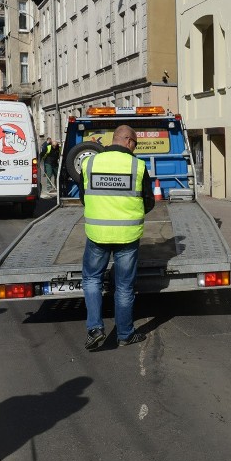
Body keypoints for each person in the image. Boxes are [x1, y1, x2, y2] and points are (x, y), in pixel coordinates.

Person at [80, 125, 155, 350]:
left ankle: (95, 329)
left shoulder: (89, 163)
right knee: (124, 287)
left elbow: (84, 196)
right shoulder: (138, 166)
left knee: (92, 279)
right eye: (136, 144)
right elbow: (149, 201)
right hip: (127, 235)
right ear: (129, 141)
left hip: (97, 234)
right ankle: (125, 334)